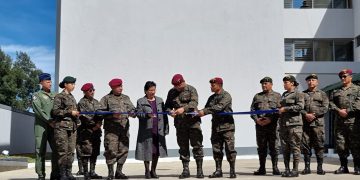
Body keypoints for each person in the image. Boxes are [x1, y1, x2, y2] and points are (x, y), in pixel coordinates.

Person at [165, 74, 204, 179]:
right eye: (175, 86)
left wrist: (184, 109)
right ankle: (185, 170)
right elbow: (167, 106)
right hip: (180, 124)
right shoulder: (172, 92)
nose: (177, 88)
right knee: (183, 147)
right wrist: (170, 112)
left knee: (197, 146)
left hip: (193, 123)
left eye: (178, 85)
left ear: (183, 82)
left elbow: (194, 103)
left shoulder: (191, 89)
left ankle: (199, 170)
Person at [197, 77, 237, 178]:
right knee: (216, 150)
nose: (211, 87)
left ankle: (232, 170)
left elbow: (219, 107)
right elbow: (206, 108)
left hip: (227, 127)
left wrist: (204, 111)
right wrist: (197, 112)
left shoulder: (226, 95)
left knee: (230, 149)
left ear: (219, 85)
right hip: (216, 127)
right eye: (211, 85)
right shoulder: (211, 98)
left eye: (213, 85)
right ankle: (218, 170)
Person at [99, 78, 136, 180]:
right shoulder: (106, 98)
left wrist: (133, 113)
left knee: (123, 150)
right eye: (118, 87)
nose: (120, 88)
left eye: (121, 86)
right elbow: (99, 111)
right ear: (112, 87)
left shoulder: (126, 98)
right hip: (112, 131)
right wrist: (111, 115)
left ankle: (119, 171)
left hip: (124, 129)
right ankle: (110, 173)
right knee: (111, 151)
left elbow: (132, 109)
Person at [135, 81, 169, 179]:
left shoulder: (160, 100)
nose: (152, 92)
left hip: (158, 130)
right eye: (150, 90)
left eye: (154, 90)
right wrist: (146, 115)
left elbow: (164, 115)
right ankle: (147, 171)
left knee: (156, 151)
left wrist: (166, 128)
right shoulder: (141, 101)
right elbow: (138, 114)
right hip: (146, 130)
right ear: (145, 91)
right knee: (147, 150)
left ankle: (153, 170)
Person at [329, 69, 360, 174]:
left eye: (345, 76)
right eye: (341, 77)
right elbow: (330, 104)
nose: (342, 78)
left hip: (354, 122)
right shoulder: (336, 91)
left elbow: (359, 102)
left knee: (356, 145)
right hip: (340, 123)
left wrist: (347, 110)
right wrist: (339, 111)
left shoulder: (357, 89)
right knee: (341, 145)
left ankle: (357, 167)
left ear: (350, 77)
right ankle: (343, 166)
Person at [250, 77, 281, 176]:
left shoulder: (277, 96)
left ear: (271, 84)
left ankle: (275, 168)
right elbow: (252, 110)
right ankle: (262, 168)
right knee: (261, 148)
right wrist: (257, 120)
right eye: (262, 84)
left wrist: (270, 120)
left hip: (272, 126)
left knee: (274, 148)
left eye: (266, 83)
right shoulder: (257, 96)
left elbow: (279, 111)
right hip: (260, 126)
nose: (264, 85)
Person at [52, 76, 80, 180]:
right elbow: (55, 112)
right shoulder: (59, 96)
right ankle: (62, 174)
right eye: (71, 84)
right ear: (65, 85)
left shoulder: (72, 97)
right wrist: (69, 112)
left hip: (72, 128)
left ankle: (69, 173)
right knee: (62, 151)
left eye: (74, 84)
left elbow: (74, 112)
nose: (73, 86)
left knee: (71, 151)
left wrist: (78, 120)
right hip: (61, 128)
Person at [300, 74, 329, 175]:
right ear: (306, 82)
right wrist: (306, 114)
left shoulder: (322, 94)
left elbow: (325, 107)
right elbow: (299, 107)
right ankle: (307, 167)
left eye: (313, 80)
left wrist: (314, 114)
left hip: (318, 124)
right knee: (305, 146)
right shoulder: (302, 94)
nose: (311, 82)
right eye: (309, 80)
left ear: (317, 82)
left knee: (319, 145)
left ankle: (319, 168)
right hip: (305, 124)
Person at [32, 73, 59, 180]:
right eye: (47, 82)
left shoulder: (55, 95)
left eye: (50, 81)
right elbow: (38, 110)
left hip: (53, 126)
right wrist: (49, 120)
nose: (50, 83)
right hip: (41, 126)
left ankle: (55, 173)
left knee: (56, 149)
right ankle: (41, 174)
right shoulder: (36, 95)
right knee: (40, 150)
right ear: (41, 83)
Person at [278, 75, 304, 177]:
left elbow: (300, 106)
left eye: (286, 82)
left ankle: (295, 170)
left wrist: (285, 109)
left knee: (295, 148)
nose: (284, 84)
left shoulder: (298, 93)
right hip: (284, 125)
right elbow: (281, 106)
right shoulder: (284, 94)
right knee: (285, 148)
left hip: (294, 125)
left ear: (292, 83)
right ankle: (287, 169)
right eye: (284, 82)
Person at [77, 83, 103, 179]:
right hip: (86, 131)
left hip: (96, 131)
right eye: (90, 91)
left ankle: (92, 172)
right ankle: (86, 173)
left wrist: (99, 123)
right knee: (86, 152)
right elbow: (85, 117)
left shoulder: (97, 102)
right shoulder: (82, 102)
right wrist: (94, 124)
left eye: (93, 90)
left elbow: (100, 114)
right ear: (85, 92)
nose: (92, 92)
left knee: (95, 152)